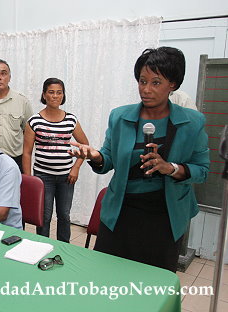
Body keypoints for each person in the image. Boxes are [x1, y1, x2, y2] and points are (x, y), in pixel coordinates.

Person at [70, 47, 209, 272]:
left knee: (152, 288)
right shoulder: (120, 116)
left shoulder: (192, 122)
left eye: (155, 82)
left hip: (165, 216)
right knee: (107, 278)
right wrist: (94, 156)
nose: (146, 89)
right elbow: (108, 160)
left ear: (172, 84)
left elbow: (202, 170)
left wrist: (170, 168)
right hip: (120, 213)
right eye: (142, 81)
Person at [23, 78, 89, 243]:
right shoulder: (34, 121)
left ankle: (64, 249)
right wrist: (29, 179)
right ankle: (42, 246)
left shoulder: (71, 120)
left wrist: (76, 168)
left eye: (59, 92)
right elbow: (27, 153)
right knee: (44, 216)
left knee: (64, 215)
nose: (55, 96)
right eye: (51, 92)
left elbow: (85, 146)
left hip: (67, 177)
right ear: (44, 95)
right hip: (43, 177)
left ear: (63, 95)